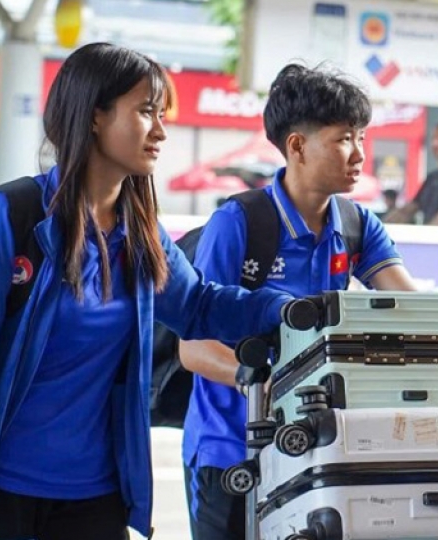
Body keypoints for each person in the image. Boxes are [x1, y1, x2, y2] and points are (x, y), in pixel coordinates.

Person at [0, 42, 293, 540]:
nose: (161, 131)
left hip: (96, 499)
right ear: (95, 116)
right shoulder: (11, 218)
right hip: (1, 496)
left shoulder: (140, 233)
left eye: (162, 115)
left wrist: (290, 310)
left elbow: (199, 307)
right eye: (145, 112)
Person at [179, 63, 417, 540]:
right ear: (297, 146)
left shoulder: (356, 225)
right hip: (230, 452)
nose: (359, 155)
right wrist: (270, 388)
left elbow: (409, 309)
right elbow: (193, 348)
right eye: (344, 139)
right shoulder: (240, 222)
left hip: (315, 450)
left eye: (363, 138)